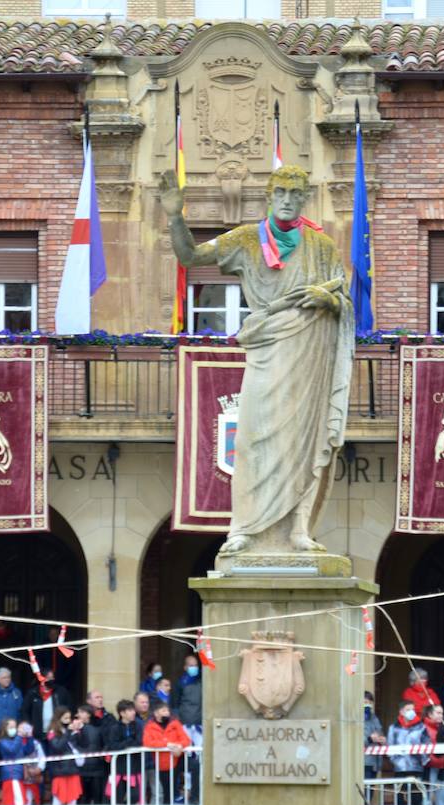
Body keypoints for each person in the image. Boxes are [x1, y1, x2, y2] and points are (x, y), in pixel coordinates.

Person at [162, 164, 352, 558]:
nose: (286, 200)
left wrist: (328, 299)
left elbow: (345, 301)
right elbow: (190, 256)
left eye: (294, 194)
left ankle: (299, 529)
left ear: (304, 199)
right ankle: (245, 528)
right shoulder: (247, 239)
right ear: (269, 196)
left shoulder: (323, 247)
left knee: (307, 439)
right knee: (251, 439)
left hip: (311, 350)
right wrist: (175, 216)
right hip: (268, 349)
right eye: (280, 192)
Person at [143, 699, 192, 805]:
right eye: (163, 710)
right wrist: (166, 744)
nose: (167, 713)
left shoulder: (175, 723)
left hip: (177, 760)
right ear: (156, 713)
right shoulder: (150, 726)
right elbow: (148, 743)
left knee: (171, 791)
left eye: (167, 710)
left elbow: (186, 740)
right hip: (162, 764)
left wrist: (179, 747)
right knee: (166, 793)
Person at [386, 700, 430, 805]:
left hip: (416, 767)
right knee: (400, 797)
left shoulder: (421, 727)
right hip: (400, 768)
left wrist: (421, 759)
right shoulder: (393, 728)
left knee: (416, 797)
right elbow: (390, 747)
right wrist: (396, 761)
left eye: (413, 709)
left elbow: (426, 745)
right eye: (408, 709)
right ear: (401, 712)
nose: (411, 712)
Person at [0, 718, 42, 805]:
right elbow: (12, 750)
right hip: (11, 774)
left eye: (15, 727)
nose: (14, 730)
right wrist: (20, 736)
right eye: (11, 727)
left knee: (15, 800)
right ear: (4, 729)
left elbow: (28, 750)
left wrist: (30, 736)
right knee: (17, 801)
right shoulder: (2, 742)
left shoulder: (16, 740)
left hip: (17, 775)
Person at [105, 699, 145, 805]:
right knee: (117, 797)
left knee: (135, 796)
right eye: (130, 710)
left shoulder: (138, 726)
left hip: (135, 767)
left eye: (133, 710)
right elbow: (113, 746)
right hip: (119, 768)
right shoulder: (114, 728)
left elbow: (139, 742)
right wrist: (128, 742)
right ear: (122, 713)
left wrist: (126, 744)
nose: (133, 712)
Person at [73, 706, 108, 805]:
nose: (78, 715)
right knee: (86, 799)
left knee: (93, 799)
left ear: (88, 714)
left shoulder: (96, 729)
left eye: (81, 712)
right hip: (85, 769)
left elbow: (101, 746)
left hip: (94, 769)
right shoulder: (75, 730)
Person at [22, 670, 71, 735]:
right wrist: (29, 725)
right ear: (41, 678)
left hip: (56, 731)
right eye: (48, 678)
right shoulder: (33, 693)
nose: (51, 680)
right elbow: (25, 711)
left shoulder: (61, 691)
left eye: (52, 678)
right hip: (37, 732)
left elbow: (69, 708)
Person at [364, 691, 386, 780]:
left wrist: (382, 739)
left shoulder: (374, 718)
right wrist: (369, 739)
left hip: (375, 761)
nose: (368, 705)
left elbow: (380, 732)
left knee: (371, 791)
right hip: (363, 762)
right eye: (365, 702)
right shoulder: (355, 718)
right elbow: (354, 740)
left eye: (370, 703)